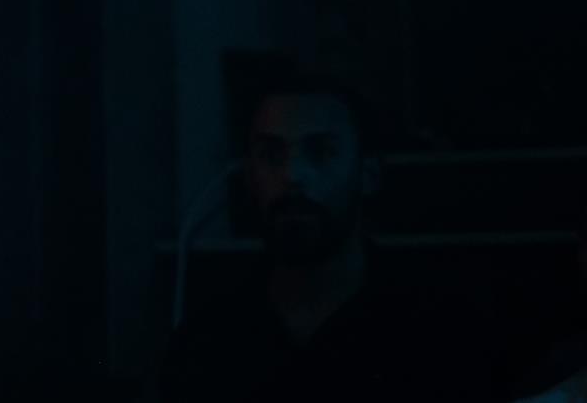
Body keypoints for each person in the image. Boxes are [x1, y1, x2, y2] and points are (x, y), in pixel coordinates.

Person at [160, 66, 497, 403]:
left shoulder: (435, 331)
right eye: (272, 155)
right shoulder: (208, 342)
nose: (293, 175)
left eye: (321, 151)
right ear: (249, 176)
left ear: (368, 172)